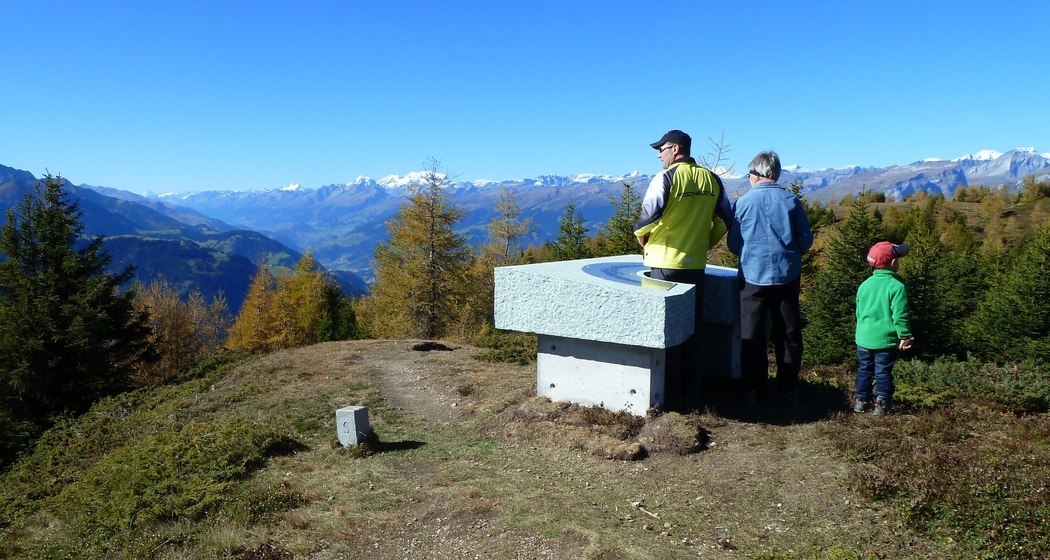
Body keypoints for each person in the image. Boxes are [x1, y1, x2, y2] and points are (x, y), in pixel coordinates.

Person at [634, 129, 731, 406]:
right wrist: (704, 244)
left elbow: (646, 219)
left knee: (664, 330)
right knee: (693, 329)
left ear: (676, 149)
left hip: (663, 264)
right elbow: (724, 220)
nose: (658, 154)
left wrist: (643, 240)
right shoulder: (712, 179)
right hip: (696, 264)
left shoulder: (666, 177)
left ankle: (668, 396)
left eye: (661, 149)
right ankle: (693, 392)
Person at [727, 151, 814, 399]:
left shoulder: (742, 203)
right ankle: (787, 385)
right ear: (774, 173)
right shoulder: (791, 201)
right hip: (787, 274)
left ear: (758, 174)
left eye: (749, 174)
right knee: (788, 331)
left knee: (752, 333)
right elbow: (805, 241)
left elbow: (734, 244)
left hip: (753, 277)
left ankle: (754, 387)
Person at [854, 241, 914, 416]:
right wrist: (905, 335)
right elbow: (900, 315)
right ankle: (881, 404)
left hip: (863, 338)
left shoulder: (864, 285)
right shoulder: (897, 286)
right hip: (885, 340)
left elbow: (859, 312)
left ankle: (860, 401)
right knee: (883, 371)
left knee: (864, 370)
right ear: (893, 263)